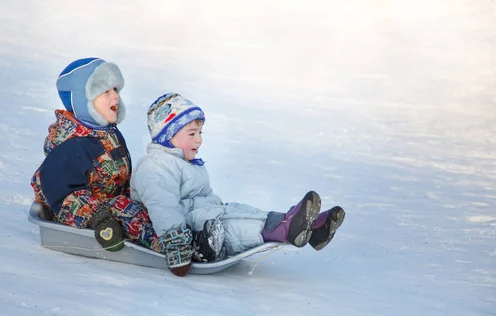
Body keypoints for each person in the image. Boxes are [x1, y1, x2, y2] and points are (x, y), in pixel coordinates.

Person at [130, 93, 345, 276]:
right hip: (192, 231)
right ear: (168, 136)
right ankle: (286, 229)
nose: (199, 140)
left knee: (240, 210)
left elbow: (205, 196)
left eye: (200, 133)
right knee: (233, 226)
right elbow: (162, 207)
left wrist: (218, 208)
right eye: (192, 134)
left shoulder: (186, 163)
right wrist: (176, 245)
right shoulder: (155, 166)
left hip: (205, 214)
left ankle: (309, 226)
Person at [30, 58, 160, 252]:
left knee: (159, 196)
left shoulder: (105, 132)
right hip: (90, 216)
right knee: (128, 212)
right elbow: (64, 195)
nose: (115, 97)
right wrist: (99, 217)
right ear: (83, 100)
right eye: (105, 92)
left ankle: (193, 229)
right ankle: (173, 246)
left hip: (114, 203)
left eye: (116, 90)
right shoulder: (73, 145)